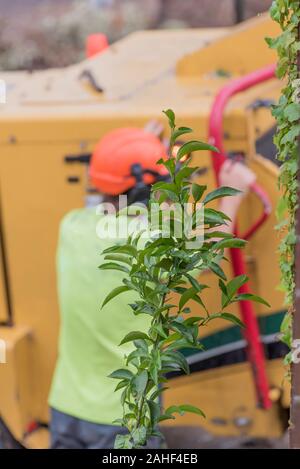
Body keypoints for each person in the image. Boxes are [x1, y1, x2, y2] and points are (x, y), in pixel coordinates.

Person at [48, 127, 256, 449]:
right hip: (122, 417)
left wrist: (133, 149)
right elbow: (212, 248)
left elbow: (110, 203)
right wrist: (236, 191)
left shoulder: (71, 226)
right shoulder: (155, 246)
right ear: (147, 190)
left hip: (66, 405)